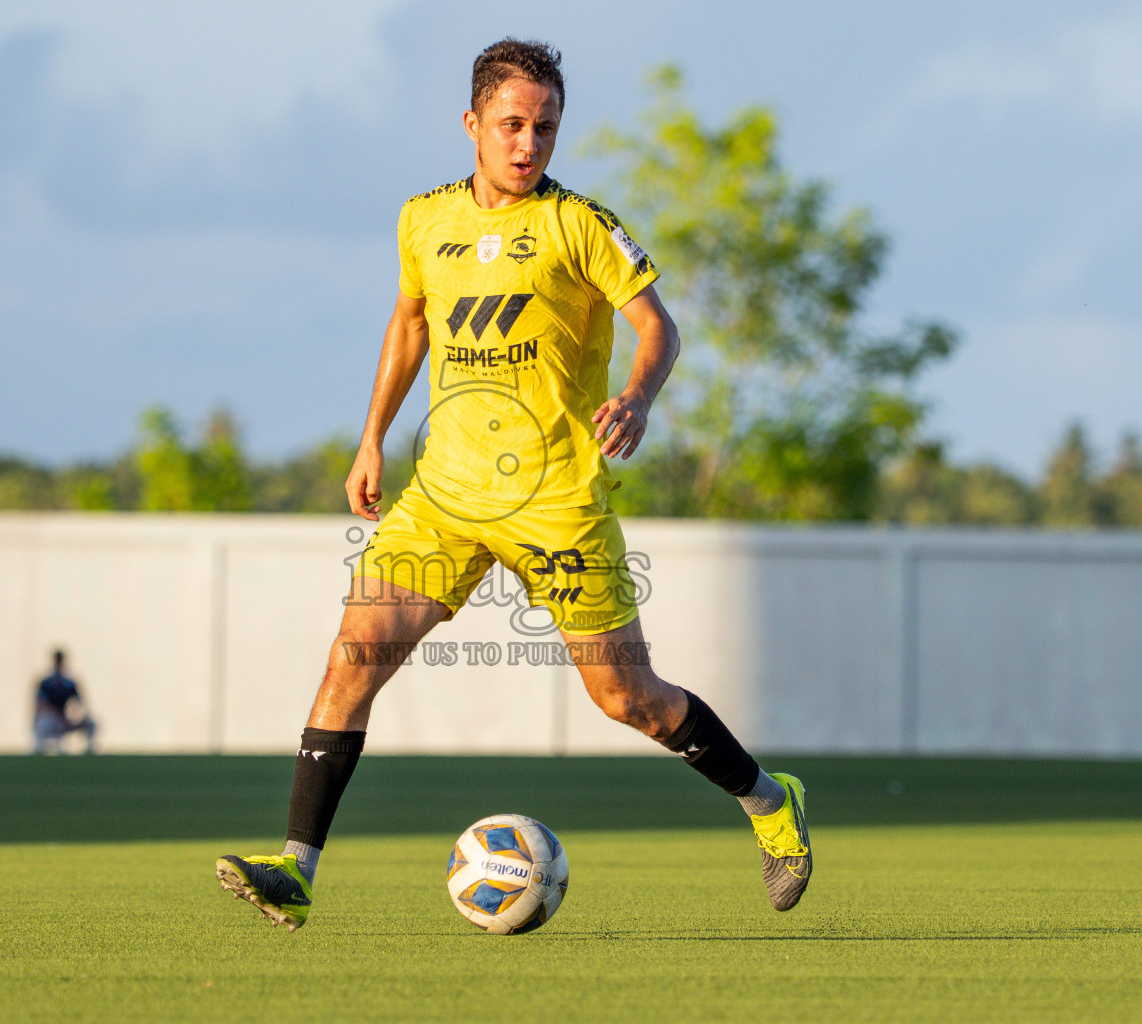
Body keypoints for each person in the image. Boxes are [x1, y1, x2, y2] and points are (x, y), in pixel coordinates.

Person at [216, 38, 810, 931]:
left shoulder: (579, 224)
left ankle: (770, 801)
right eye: (512, 126)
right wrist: (372, 437)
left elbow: (659, 328)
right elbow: (410, 321)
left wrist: (639, 396)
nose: (529, 144)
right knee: (354, 659)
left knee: (627, 699)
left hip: (556, 498)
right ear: (472, 125)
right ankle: (295, 868)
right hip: (445, 496)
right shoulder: (424, 220)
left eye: (545, 127)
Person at [32, 649, 97, 754]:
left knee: (91, 723)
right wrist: (58, 716)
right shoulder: (46, 683)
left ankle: (89, 752)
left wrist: (75, 717)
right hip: (50, 719)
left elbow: (78, 703)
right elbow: (42, 705)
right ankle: (39, 748)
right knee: (47, 723)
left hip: (64, 719)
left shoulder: (69, 683)